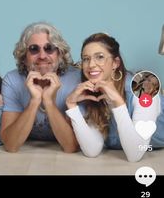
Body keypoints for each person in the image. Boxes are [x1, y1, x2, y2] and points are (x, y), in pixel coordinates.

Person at [65, 33, 164, 162]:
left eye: (99, 57)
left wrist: (118, 102)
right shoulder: (92, 92)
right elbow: (92, 150)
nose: (91, 65)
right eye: (86, 59)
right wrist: (71, 105)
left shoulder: (143, 87)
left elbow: (134, 154)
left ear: (115, 63)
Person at [0, 22, 81, 152]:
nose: (42, 56)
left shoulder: (76, 80)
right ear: (24, 57)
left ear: (59, 54)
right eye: (34, 49)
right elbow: (11, 145)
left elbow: (71, 146)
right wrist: (34, 100)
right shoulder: (12, 80)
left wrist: (49, 101)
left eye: (49, 48)